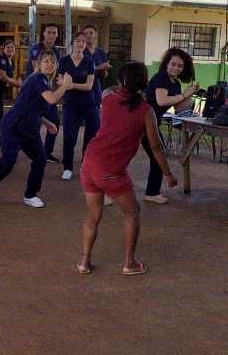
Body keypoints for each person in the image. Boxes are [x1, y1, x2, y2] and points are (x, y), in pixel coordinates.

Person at [78, 62, 177, 276]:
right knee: (132, 212)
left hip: (89, 162)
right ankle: (129, 263)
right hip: (111, 170)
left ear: (120, 81)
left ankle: (84, 261)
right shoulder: (145, 111)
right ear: (144, 83)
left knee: (93, 215)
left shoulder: (108, 98)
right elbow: (156, 147)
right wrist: (168, 174)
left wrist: (120, 87)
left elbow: (108, 89)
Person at [0, 51, 73, 209]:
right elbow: (52, 99)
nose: (49, 64)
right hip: (14, 127)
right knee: (8, 162)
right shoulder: (37, 78)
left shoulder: (45, 81)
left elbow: (32, 107)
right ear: (38, 64)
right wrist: (66, 85)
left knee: (40, 159)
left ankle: (30, 195)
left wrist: (47, 123)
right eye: (46, 61)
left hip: (30, 129)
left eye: (52, 61)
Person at [142, 48, 199, 204]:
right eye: (173, 64)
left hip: (151, 123)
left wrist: (192, 94)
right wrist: (183, 95)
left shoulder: (176, 83)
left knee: (158, 157)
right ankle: (151, 192)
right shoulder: (162, 77)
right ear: (166, 64)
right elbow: (162, 101)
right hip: (142, 122)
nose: (176, 68)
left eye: (180, 66)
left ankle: (152, 192)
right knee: (159, 156)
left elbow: (179, 108)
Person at [58, 31, 97, 180]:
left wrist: (71, 84)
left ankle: (85, 165)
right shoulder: (64, 61)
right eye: (77, 41)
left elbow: (88, 86)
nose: (80, 44)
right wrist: (66, 84)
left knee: (91, 136)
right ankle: (67, 167)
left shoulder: (89, 61)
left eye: (83, 42)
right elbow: (60, 81)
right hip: (71, 104)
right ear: (72, 43)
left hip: (88, 103)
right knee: (69, 136)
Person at [27, 24, 62, 162]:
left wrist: (57, 82)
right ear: (44, 34)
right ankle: (34, 150)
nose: (52, 35)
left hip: (48, 90)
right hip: (35, 92)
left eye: (54, 33)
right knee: (33, 122)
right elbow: (38, 69)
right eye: (49, 32)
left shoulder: (55, 50)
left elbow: (54, 70)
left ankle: (47, 152)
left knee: (55, 121)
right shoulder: (36, 49)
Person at [82, 24, 110, 106]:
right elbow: (80, 70)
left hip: (97, 89)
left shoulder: (101, 52)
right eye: (86, 33)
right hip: (83, 88)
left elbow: (103, 74)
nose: (88, 35)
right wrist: (98, 67)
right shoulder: (80, 51)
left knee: (95, 114)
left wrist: (104, 71)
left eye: (91, 33)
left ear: (96, 35)